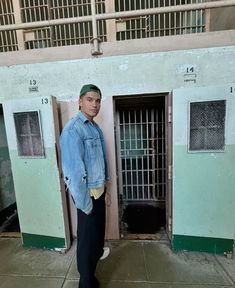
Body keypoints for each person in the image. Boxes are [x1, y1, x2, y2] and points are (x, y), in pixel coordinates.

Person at [60, 84, 109, 288]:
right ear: (79, 101)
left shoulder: (94, 127)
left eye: (97, 100)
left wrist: (105, 189)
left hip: (98, 193)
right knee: (87, 246)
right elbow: (73, 174)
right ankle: (86, 284)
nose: (94, 104)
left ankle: (91, 278)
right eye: (90, 99)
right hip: (87, 197)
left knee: (96, 243)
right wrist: (85, 204)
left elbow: (99, 162)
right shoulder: (73, 129)